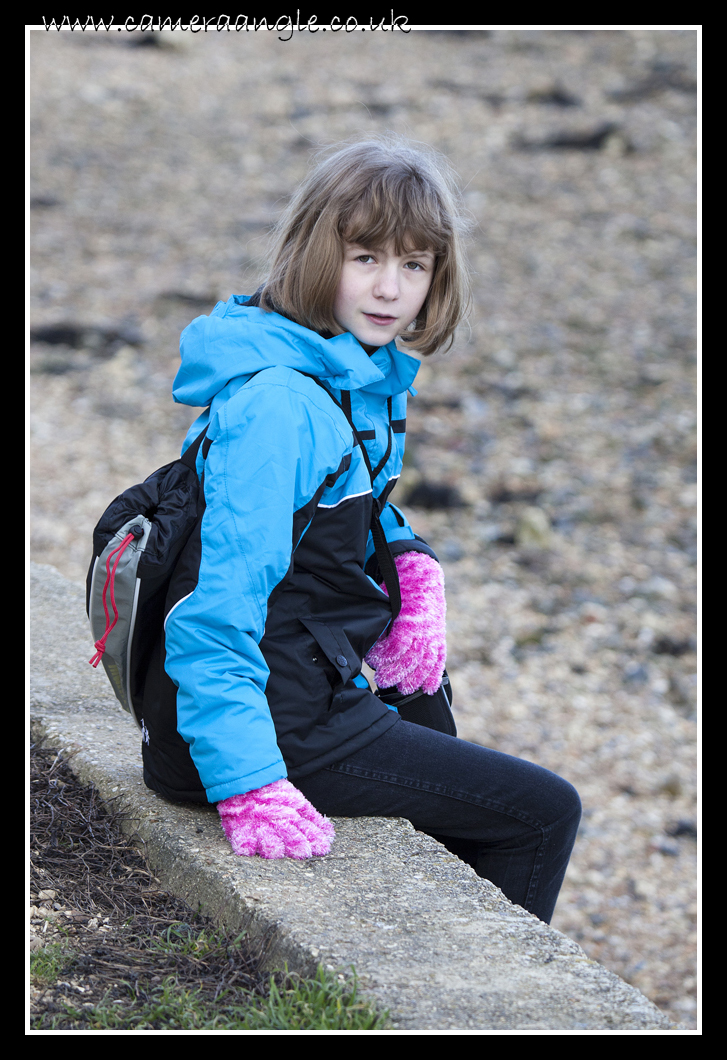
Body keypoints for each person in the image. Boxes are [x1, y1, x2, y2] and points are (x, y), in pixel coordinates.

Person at [141, 137, 581, 925]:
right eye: (366, 258)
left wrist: (412, 567)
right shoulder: (283, 404)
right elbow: (215, 611)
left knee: (431, 708)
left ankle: (439, 960)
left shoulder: (342, 372)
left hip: (307, 671)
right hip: (265, 721)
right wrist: (248, 783)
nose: (390, 289)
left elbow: (350, 502)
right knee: (543, 812)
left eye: (414, 266)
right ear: (316, 252)